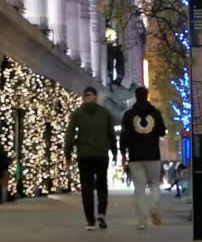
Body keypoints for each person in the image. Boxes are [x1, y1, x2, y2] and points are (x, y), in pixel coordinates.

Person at [65, 87, 118, 231]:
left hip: (84, 155)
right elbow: (111, 135)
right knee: (102, 185)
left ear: (85, 97)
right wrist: (114, 152)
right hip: (101, 154)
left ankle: (90, 220)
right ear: (96, 97)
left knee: (87, 187)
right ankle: (101, 213)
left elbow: (69, 135)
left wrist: (67, 153)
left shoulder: (77, 114)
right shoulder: (105, 113)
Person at [120, 86, 166, 230]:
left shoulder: (128, 115)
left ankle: (142, 221)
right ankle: (154, 207)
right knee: (154, 184)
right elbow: (162, 131)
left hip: (135, 157)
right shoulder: (155, 113)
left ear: (135, 96)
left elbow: (124, 136)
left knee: (139, 189)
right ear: (147, 95)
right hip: (153, 155)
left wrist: (123, 154)